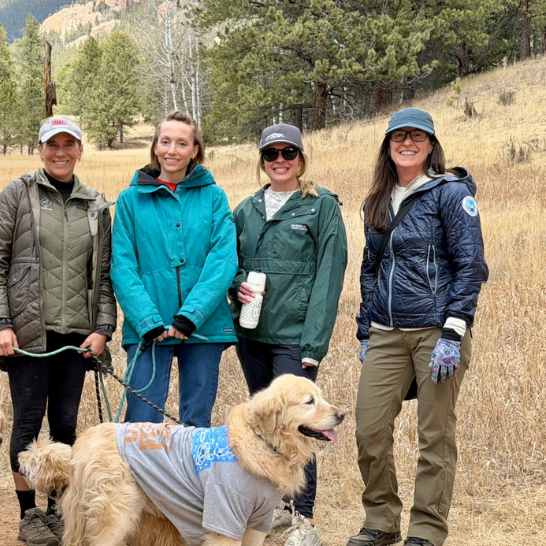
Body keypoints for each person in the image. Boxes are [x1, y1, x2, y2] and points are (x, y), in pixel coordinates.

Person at [347, 108, 487, 546]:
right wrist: (366, 328)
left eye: (417, 136)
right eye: (398, 137)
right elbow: (370, 268)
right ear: (387, 147)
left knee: (435, 436)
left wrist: (454, 329)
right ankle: (381, 521)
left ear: (431, 144)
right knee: (369, 429)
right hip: (387, 332)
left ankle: (425, 531)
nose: (407, 143)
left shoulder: (451, 193)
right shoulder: (376, 200)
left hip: (436, 331)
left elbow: (471, 266)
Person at [0, 116, 116, 546]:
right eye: (52, 144)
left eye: (69, 144)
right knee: (25, 427)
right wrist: (1, 323)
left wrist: (103, 330)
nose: (60, 152)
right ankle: (28, 515)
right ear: (40, 149)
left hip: (77, 337)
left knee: (64, 427)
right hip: (27, 336)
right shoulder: (17, 194)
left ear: (79, 150)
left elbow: (106, 275)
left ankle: (57, 510)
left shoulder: (96, 204)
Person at [231, 124, 348, 546]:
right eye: (270, 154)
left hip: (294, 337)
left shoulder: (321, 207)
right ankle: (268, 513)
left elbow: (329, 279)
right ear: (261, 160)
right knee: (264, 424)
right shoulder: (245, 209)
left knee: (301, 424)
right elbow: (231, 262)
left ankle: (303, 519)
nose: (279, 161)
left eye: (288, 153)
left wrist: (313, 345)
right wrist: (237, 283)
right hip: (252, 334)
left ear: (301, 158)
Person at [111, 110, 237, 428]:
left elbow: (223, 259)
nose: (172, 150)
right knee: (142, 424)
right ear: (155, 146)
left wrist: (190, 316)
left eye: (182, 143)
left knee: (196, 422)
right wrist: (148, 321)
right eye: (165, 141)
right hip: (148, 331)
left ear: (195, 150)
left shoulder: (214, 197)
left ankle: (189, 480)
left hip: (204, 328)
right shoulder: (129, 200)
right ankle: (141, 480)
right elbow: (123, 265)